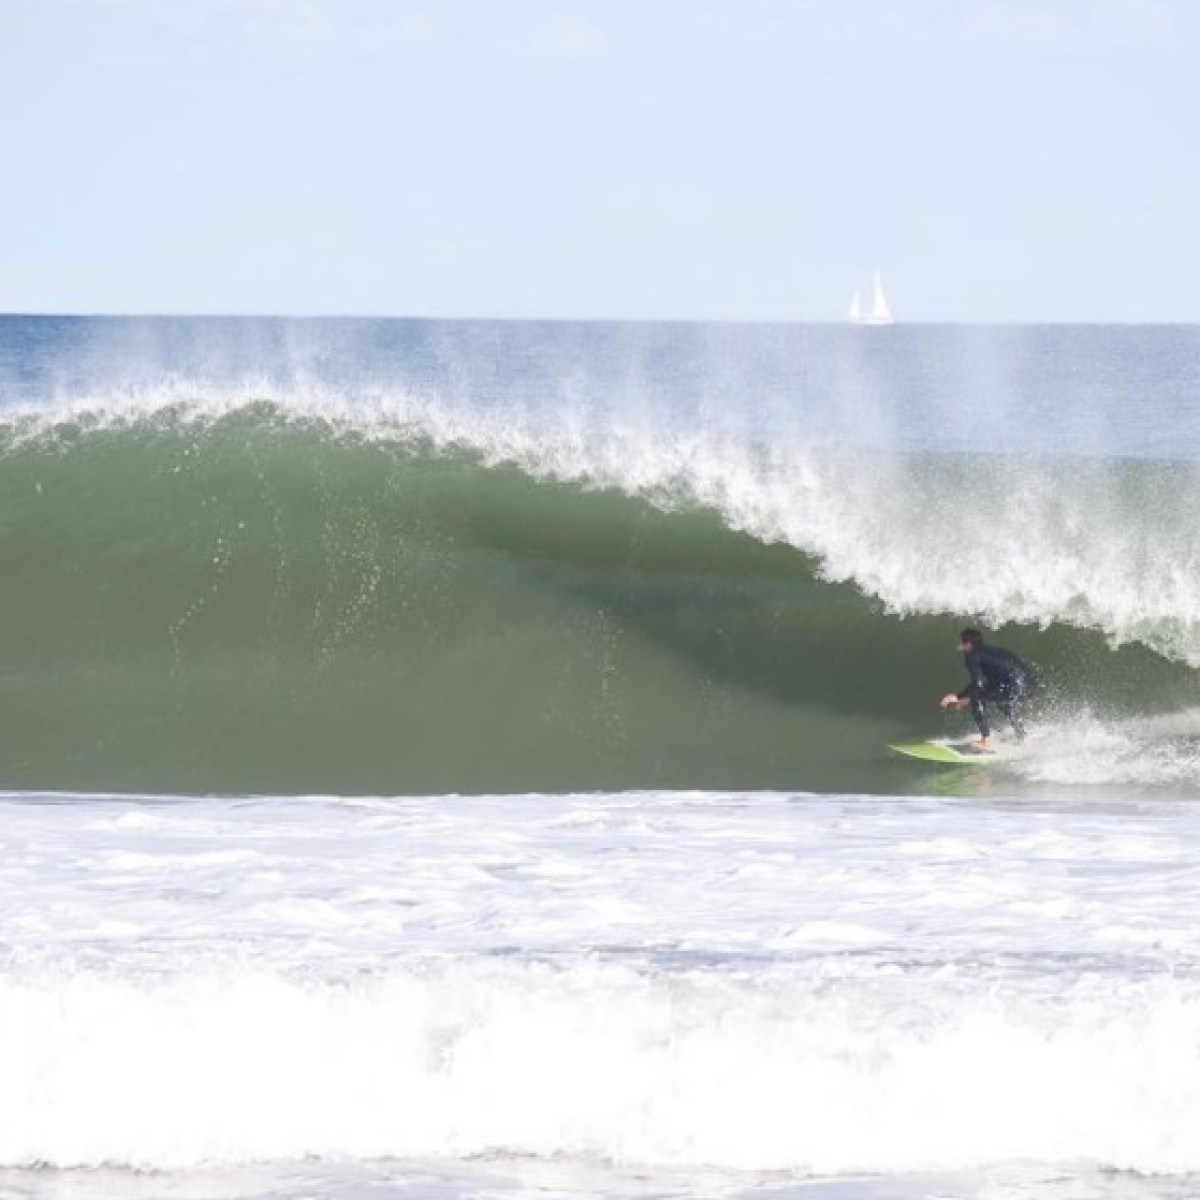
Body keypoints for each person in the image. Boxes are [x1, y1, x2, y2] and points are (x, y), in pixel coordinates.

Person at [939, 628, 1036, 751]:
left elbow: (978, 683)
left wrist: (959, 697)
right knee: (1003, 700)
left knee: (977, 697)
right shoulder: (995, 651)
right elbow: (989, 682)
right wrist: (964, 696)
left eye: (961, 642)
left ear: (968, 644)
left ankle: (986, 741)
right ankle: (1022, 737)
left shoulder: (971, 655)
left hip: (1013, 685)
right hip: (1028, 685)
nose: (960, 645)